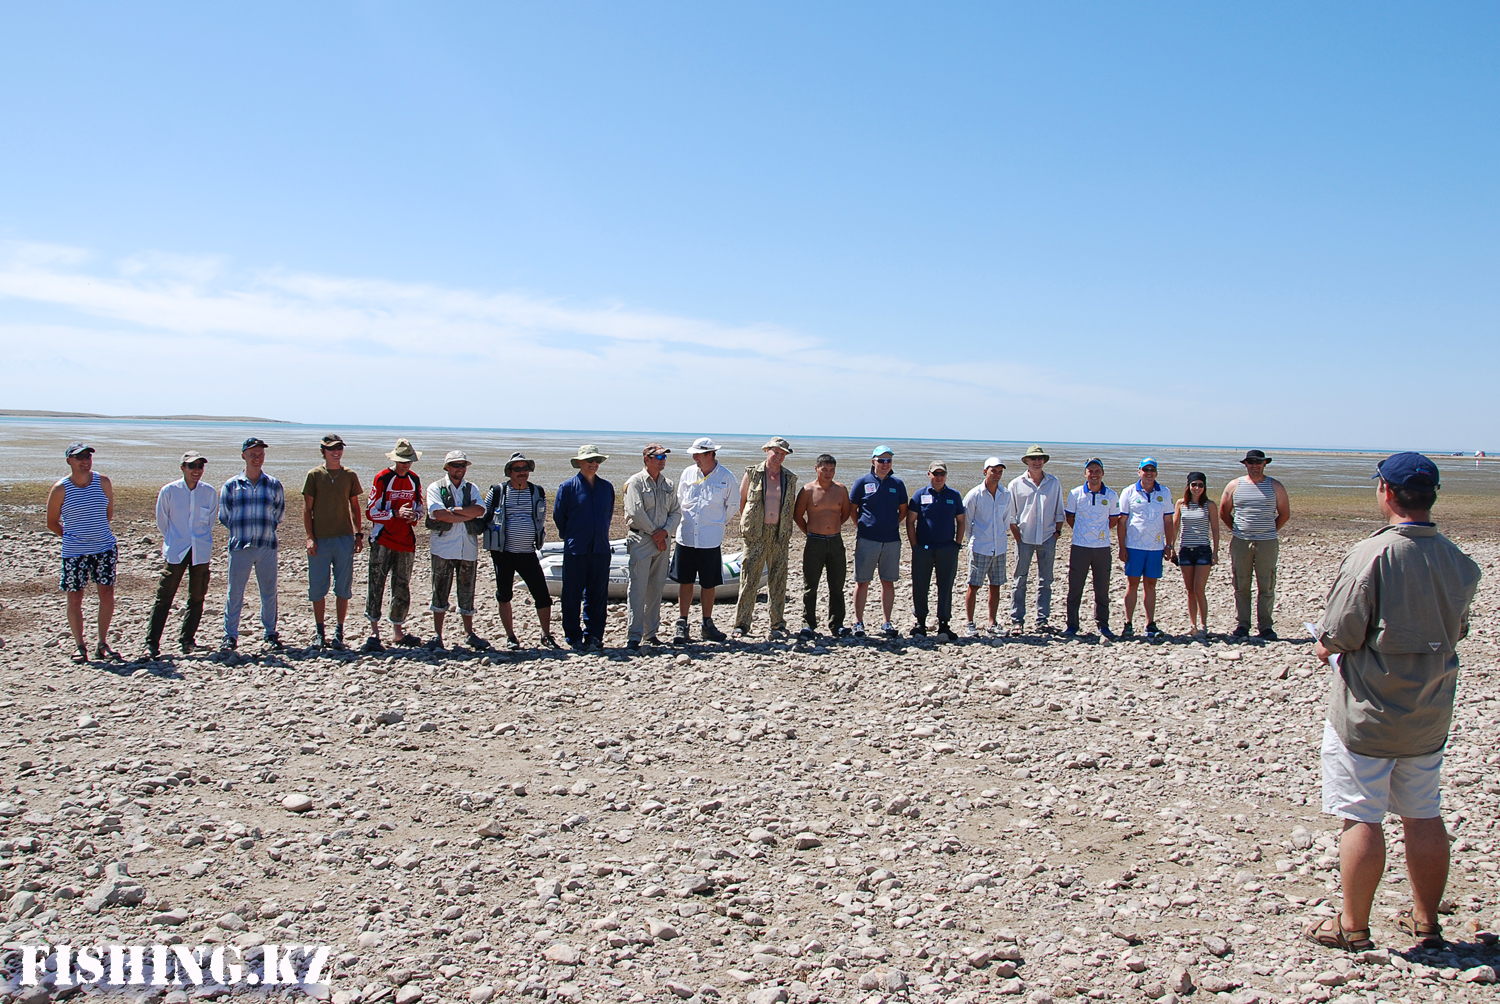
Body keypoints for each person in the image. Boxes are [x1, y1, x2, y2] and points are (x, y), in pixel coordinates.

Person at [1305, 453, 1481, 954]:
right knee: (1423, 812)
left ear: (1385, 491)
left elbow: (1341, 632)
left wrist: (1323, 646)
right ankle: (1426, 922)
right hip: (1430, 708)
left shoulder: (1372, 554)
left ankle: (1353, 926)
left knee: (1361, 815)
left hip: (1368, 710)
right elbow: (1459, 629)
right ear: (1432, 495)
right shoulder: (1458, 560)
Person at [47, 442, 119, 663]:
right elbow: (52, 522)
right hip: (75, 552)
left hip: (104, 548)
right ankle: (80, 645)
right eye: (80, 457)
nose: (85, 461)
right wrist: (73, 537)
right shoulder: (60, 489)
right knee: (75, 597)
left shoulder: (103, 482)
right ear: (69, 461)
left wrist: (95, 534)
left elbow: (108, 514)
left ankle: (102, 643)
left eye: (88, 456)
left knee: (106, 594)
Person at [144, 450, 216, 659]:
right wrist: (175, 539)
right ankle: (152, 643)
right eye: (192, 466)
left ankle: (187, 640)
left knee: (197, 596)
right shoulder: (169, 491)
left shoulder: (209, 492)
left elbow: (210, 521)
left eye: (200, 466)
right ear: (183, 468)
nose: (196, 470)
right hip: (176, 550)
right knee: (164, 596)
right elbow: (162, 522)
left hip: (200, 550)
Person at [483, 452, 556, 650]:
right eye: (518, 469)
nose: (522, 472)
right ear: (509, 472)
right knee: (504, 594)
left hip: (528, 552)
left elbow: (541, 518)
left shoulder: (537, 491)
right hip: (502, 553)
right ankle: (511, 637)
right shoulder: (497, 491)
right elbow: (485, 516)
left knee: (542, 594)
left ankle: (546, 634)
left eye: (525, 468)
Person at [218, 437, 285, 652]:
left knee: (269, 591)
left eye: (260, 454)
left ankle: (270, 632)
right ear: (243, 456)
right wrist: (241, 531)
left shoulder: (273, 484)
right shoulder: (231, 485)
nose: (257, 458)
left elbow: (279, 514)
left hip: (266, 545)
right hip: (240, 546)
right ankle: (230, 635)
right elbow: (224, 515)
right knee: (235, 592)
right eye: (252, 454)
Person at [671, 437, 738, 644]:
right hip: (686, 537)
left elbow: (733, 506)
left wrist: (716, 523)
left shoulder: (726, 477)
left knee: (709, 583)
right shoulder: (687, 473)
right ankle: (682, 623)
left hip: (710, 540)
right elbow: (680, 501)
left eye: (698, 454)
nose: (694, 458)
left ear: (710, 454)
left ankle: (707, 624)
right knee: (685, 581)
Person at [1219, 449, 1291, 640]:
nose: (1255, 465)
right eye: (1251, 462)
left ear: (1264, 463)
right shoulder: (1234, 485)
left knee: (1266, 584)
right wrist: (1238, 531)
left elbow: (1284, 513)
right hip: (1241, 542)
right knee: (1241, 583)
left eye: (1258, 462)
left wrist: (1269, 531)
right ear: (1246, 464)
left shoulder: (1275, 486)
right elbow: (1224, 512)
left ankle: (1266, 626)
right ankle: (1243, 625)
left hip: (1267, 542)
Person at [301, 434, 364, 650]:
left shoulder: (350, 475)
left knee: (343, 587)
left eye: (339, 448)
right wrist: (310, 537)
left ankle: (339, 630)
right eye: (331, 449)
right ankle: (320, 631)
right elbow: (307, 509)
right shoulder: (314, 475)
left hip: (344, 539)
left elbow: (355, 507)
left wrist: (358, 534)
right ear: (323, 451)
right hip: (320, 540)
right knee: (318, 588)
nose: (336, 452)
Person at [734, 437, 801, 639]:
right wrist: (750, 525)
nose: (779, 456)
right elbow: (742, 502)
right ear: (767, 451)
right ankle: (742, 624)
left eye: (783, 453)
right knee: (749, 580)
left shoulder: (789, 478)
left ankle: (777, 622)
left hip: (779, 535)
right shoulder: (752, 473)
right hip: (756, 534)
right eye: (776, 452)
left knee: (778, 580)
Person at [362, 439, 424, 652]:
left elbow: (420, 508)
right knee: (376, 583)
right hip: (383, 539)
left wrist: (413, 516)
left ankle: (398, 631)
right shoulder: (382, 478)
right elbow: (371, 511)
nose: (406, 464)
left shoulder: (414, 479)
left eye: (409, 461)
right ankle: (374, 632)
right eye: (403, 461)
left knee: (402, 586)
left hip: (405, 541)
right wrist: (394, 513)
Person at [425, 450, 488, 651]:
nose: (459, 469)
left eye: (462, 465)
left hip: (467, 548)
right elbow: (438, 514)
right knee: (439, 591)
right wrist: (466, 514)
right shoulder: (435, 487)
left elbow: (480, 510)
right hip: (443, 548)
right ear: (447, 467)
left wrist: (452, 511)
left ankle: (469, 633)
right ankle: (437, 635)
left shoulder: (472, 488)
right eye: (455, 465)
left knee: (467, 591)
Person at [554, 445, 616, 651]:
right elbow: (559, 517)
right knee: (572, 594)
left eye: (597, 460)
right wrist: (573, 535)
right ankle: (573, 636)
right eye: (590, 460)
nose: (594, 463)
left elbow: (608, 514)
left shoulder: (606, 487)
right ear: (580, 462)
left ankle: (594, 635)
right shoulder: (567, 487)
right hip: (576, 549)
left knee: (598, 594)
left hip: (601, 549)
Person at [623, 445, 680, 652]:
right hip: (641, 539)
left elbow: (676, 512)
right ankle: (634, 635)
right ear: (646, 459)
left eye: (664, 457)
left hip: (662, 541)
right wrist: (655, 534)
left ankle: (651, 633)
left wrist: (665, 532)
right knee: (638, 588)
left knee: (656, 587)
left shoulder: (668, 484)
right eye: (659, 456)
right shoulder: (635, 483)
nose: (663, 460)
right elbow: (635, 511)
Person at [848, 446, 908, 638]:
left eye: (888, 461)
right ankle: (858, 622)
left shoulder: (897, 484)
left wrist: (892, 525)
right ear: (873, 461)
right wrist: (863, 526)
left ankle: (886, 622)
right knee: (862, 581)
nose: (885, 464)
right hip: (867, 540)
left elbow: (903, 510)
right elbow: (852, 509)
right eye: (881, 460)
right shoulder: (862, 482)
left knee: (888, 581)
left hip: (891, 541)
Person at [1005, 445, 1065, 634]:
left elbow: (1060, 511)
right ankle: (1017, 620)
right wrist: (1018, 538)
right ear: (1027, 461)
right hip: (1024, 538)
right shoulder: (1016, 484)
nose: (1037, 462)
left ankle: (1042, 620)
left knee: (1045, 581)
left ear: (1044, 461)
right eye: (1033, 458)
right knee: (1020, 580)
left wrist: (1056, 534)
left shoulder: (1054, 483)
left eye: (1040, 458)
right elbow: (1011, 516)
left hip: (1047, 537)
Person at [793, 454, 853, 639]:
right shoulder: (807, 490)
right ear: (816, 468)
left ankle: (837, 624)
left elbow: (845, 513)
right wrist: (810, 532)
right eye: (824, 469)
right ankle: (808, 624)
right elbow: (797, 515)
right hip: (814, 542)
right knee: (810, 586)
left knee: (837, 585)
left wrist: (832, 528)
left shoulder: (841, 489)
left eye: (831, 470)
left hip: (835, 541)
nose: (828, 473)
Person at [905, 462, 965, 641]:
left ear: (946, 475)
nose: (939, 477)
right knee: (920, 585)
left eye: (942, 474)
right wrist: (915, 546)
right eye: (935, 473)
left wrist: (957, 544)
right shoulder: (919, 495)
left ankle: (944, 623)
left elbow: (961, 521)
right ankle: (920, 622)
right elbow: (910, 521)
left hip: (947, 549)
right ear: (929, 474)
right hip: (923, 549)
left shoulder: (954, 495)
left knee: (946, 586)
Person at [1116, 458, 1174, 639]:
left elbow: (1168, 521)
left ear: (1156, 472)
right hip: (1134, 547)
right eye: (1145, 470)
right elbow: (1122, 521)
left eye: (1152, 470)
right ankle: (1128, 623)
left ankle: (1150, 624)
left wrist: (1169, 544)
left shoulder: (1164, 492)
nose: (1149, 473)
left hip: (1155, 547)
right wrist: (1122, 546)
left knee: (1151, 585)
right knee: (1132, 584)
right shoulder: (1129, 492)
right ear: (1139, 471)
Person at [1063, 459, 1121, 639]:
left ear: (1102, 473)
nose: (1094, 475)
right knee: (1075, 587)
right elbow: (1070, 518)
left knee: (1102, 588)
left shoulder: (1111, 495)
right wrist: (1083, 532)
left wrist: (1099, 533)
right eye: (1090, 471)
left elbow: (1114, 519)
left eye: (1097, 471)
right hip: (1080, 547)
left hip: (1102, 548)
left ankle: (1103, 625)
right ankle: (1072, 625)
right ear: (1085, 473)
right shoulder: (1075, 494)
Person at [960, 458, 1011, 637]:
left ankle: (992, 622)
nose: (997, 474)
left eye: (1000, 471)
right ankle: (969, 623)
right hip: (980, 547)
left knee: (996, 585)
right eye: (993, 471)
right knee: (973, 585)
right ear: (985, 472)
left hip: (999, 548)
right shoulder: (975, 495)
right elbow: (966, 521)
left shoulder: (1006, 494)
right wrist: (974, 540)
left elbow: (1006, 520)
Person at [1175, 472, 1221, 640]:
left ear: (1204, 487)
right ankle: (1192, 625)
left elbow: (1215, 529)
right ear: (1188, 486)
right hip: (1185, 550)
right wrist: (1170, 546)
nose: (1197, 488)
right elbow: (1175, 526)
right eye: (1194, 484)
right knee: (1190, 591)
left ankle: (1203, 625)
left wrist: (1215, 552)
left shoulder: (1209, 505)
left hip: (1203, 550)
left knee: (1199, 589)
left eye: (1200, 485)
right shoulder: (1181, 504)